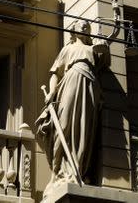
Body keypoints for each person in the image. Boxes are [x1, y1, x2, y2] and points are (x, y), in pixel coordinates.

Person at [35, 29, 111, 197]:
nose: (84, 27)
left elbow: (105, 62)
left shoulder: (92, 49)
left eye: (87, 25)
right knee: (65, 123)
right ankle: (57, 172)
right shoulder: (67, 49)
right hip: (71, 80)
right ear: (74, 30)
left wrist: (105, 42)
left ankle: (78, 170)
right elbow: (55, 72)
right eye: (81, 24)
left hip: (90, 85)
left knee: (84, 128)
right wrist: (51, 94)